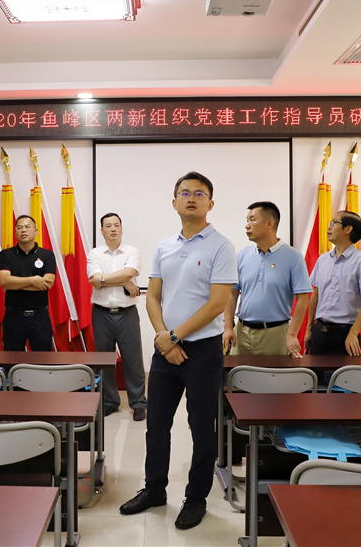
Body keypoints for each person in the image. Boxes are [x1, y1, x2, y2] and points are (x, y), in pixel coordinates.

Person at [119, 171, 237, 531]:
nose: (191, 198)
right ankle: (154, 489)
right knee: (156, 424)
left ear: (210, 203)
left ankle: (196, 497)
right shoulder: (164, 246)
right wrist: (163, 338)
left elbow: (217, 303)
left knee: (201, 426)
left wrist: (173, 336)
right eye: (185, 193)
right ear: (174, 202)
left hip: (203, 352)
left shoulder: (221, 246)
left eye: (199, 194)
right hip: (165, 351)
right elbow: (152, 296)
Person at [223, 201, 311, 357]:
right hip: (242, 333)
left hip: (275, 335)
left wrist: (292, 334)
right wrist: (228, 327)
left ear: (270, 223)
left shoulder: (294, 257)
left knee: (274, 373)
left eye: (252, 220)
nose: (247, 225)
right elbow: (232, 294)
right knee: (238, 373)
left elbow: (303, 298)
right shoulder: (242, 255)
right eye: (247, 220)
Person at [87, 213, 148, 420]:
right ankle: (110, 402)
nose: (112, 229)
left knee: (133, 361)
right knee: (104, 361)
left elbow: (128, 273)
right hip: (101, 314)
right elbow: (95, 280)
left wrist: (106, 279)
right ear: (102, 231)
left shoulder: (132, 251)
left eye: (116, 225)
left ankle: (138, 403)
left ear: (121, 229)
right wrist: (123, 280)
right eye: (108, 226)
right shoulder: (95, 254)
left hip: (127, 314)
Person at [305, 210, 361, 356]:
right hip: (319, 332)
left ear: (348, 229)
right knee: (315, 371)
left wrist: (353, 333)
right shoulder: (323, 259)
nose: (329, 227)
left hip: (345, 335)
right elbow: (315, 295)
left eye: (334, 223)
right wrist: (309, 329)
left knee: (344, 372)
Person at [0, 215, 56, 351]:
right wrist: (33, 280)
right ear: (15, 231)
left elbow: (47, 284)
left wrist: (15, 283)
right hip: (14, 317)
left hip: (40, 317)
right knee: (12, 359)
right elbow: (4, 281)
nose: (23, 230)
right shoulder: (6, 255)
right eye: (20, 227)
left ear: (36, 231)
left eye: (28, 227)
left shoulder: (47, 255)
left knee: (43, 359)